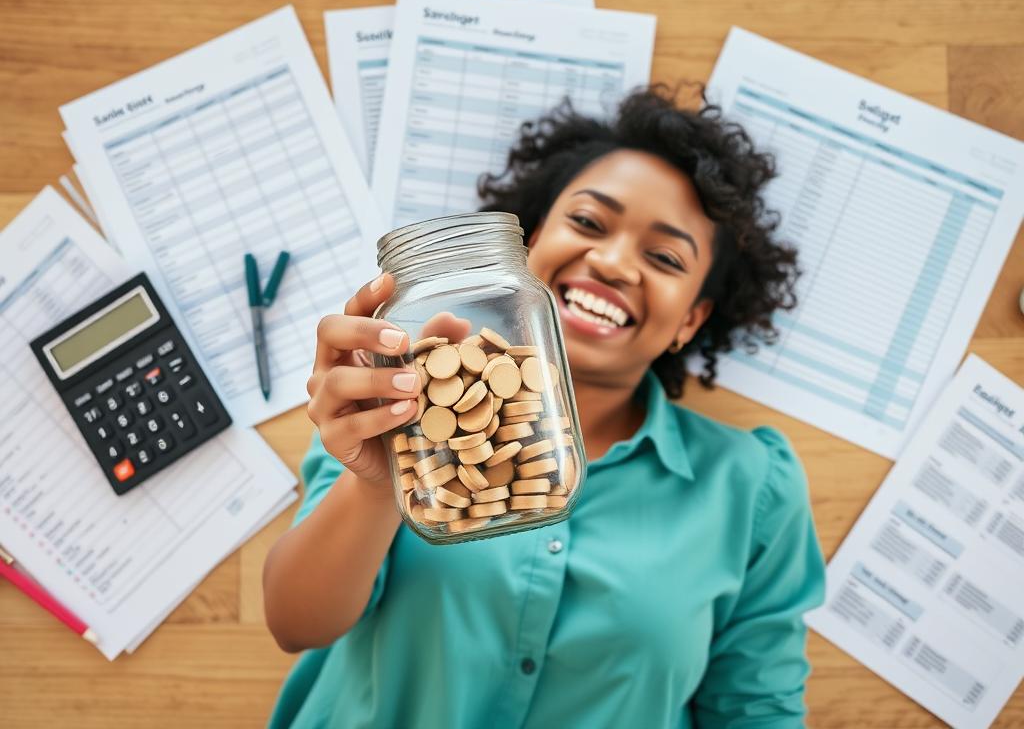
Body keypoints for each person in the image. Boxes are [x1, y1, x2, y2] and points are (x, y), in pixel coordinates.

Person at [263, 86, 826, 728]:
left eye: (665, 257)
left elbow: (755, 710)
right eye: (588, 222)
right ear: (526, 248)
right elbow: (295, 624)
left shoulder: (753, 486)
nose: (613, 262)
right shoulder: (394, 399)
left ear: (691, 320)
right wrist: (374, 487)